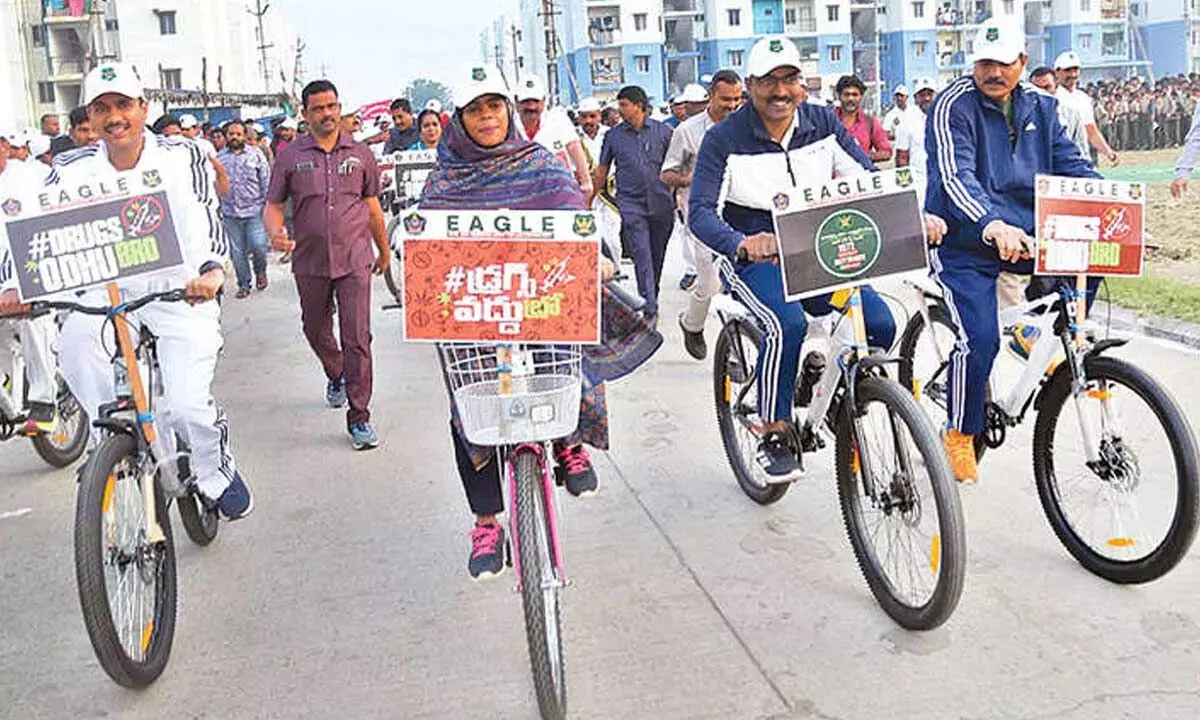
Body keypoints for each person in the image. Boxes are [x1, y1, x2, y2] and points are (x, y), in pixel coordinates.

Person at [1, 61, 253, 518]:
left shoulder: (183, 154)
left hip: (177, 289)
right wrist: (15, 285)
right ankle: (112, 448)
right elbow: (34, 227)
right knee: (77, 348)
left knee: (186, 407)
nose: (114, 117)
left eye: (123, 105)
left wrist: (212, 271)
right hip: (100, 292)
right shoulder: (69, 166)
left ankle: (214, 471)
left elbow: (205, 216)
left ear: (143, 107)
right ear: (91, 119)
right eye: (102, 109)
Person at [420, 65, 624, 579]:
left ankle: (570, 445)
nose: (487, 118)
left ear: (507, 111)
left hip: (539, 299)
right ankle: (487, 521)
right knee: (469, 404)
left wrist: (596, 257)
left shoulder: (540, 162)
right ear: (459, 120)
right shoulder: (445, 177)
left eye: (494, 107)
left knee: (567, 352)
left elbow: (574, 221)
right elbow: (425, 241)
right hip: (476, 310)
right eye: (475, 110)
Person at [689, 36, 899, 479]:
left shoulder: (823, 123)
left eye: (789, 79)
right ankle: (775, 429)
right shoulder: (724, 139)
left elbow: (865, 178)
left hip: (817, 251)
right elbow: (701, 214)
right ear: (750, 85)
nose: (780, 91)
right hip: (755, 258)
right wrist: (741, 242)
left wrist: (913, 215)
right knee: (786, 324)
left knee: (879, 323)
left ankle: (836, 394)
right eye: (768, 81)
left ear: (801, 85)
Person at [925, 19, 1100, 484]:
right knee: (980, 339)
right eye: (984, 62)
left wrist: (1114, 206)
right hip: (964, 239)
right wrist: (991, 223)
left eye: (1003, 63)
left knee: (1091, 264)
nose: (993, 72)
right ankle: (960, 431)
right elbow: (954, 175)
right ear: (973, 63)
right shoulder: (952, 106)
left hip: (1026, 234)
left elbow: (1072, 166)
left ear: (1021, 62)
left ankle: (1041, 340)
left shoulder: (1043, 107)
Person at [265, 79, 390, 451]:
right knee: (315, 327)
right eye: (318, 108)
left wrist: (383, 251)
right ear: (305, 115)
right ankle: (336, 372)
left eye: (332, 106)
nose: (327, 114)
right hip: (310, 261)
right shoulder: (289, 156)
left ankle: (360, 416)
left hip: (354, 259)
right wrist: (276, 231)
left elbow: (372, 207)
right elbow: (273, 204)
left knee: (357, 337)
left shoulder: (361, 153)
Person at [661, 69, 743, 361]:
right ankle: (692, 324)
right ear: (711, 96)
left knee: (742, 285)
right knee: (710, 283)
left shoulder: (748, 127)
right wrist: (691, 178)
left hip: (743, 213)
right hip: (702, 216)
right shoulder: (688, 131)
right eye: (725, 100)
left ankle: (735, 353)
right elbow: (668, 173)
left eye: (737, 99)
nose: (732, 106)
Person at [594, 85, 676, 321]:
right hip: (631, 205)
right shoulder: (613, 136)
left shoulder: (664, 132)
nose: (619, 110)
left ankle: (652, 294)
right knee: (641, 253)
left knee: (657, 255)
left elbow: (678, 164)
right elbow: (602, 171)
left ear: (639, 106)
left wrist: (677, 194)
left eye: (624, 105)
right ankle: (648, 305)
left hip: (662, 203)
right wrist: (586, 202)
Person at [0, 137, 59, 435]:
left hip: (30, 268)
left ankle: (44, 400)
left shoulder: (30, 177)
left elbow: (39, 228)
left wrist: (15, 283)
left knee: (32, 321)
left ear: (5, 147)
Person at [217, 120, 272, 298]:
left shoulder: (256, 155)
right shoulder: (219, 158)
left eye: (238, 134)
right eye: (231, 134)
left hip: (254, 210)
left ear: (244, 136)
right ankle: (244, 284)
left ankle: (260, 270)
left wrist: (268, 206)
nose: (234, 137)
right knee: (237, 252)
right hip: (230, 212)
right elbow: (215, 183)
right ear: (227, 136)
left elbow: (266, 180)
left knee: (259, 245)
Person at [514, 76, 594, 196]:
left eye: (536, 102)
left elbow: (573, 147)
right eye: (526, 102)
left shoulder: (557, 119)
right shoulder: (508, 125)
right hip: (522, 194)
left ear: (544, 101)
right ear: (516, 102)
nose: (531, 107)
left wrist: (586, 182)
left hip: (560, 192)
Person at [1054, 51, 1119, 166]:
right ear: (1057, 72)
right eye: (1067, 70)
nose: (1073, 74)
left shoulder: (1083, 98)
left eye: (1075, 70)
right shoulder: (1052, 96)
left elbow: (1091, 131)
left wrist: (1108, 152)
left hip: (1081, 158)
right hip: (1059, 158)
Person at [1030, 66, 1089, 160]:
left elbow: (1082, 152)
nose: (1041, 93)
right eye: (1037, 89)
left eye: (1047, 87)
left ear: (1056, 87)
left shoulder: (1072, 115)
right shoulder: (1022, 117)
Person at [835, 75, 892, 162]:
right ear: (839, 96)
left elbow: (886, 152)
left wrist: (863, 157)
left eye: (855, 95)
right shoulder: (828, 120)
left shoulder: (870, 122)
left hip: (861, 174)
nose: (851, 98)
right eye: (846, 94)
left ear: (861, 97)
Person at [894, 77, 937, 185]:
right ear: (915, 98)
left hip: (944, 181)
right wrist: (905, 186)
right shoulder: (907, 121)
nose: (926, 98)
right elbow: (902, 157)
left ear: (938, 96)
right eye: (922, 95)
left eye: (930, 94)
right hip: (919, 182)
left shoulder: (949, 118)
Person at [180, 113, 231, 197]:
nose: (184, 132)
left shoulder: (205, 145)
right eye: (182, 129)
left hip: (206, 186)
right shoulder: (178, 146)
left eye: (187, 129)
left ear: (196, 129)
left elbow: (216, 166)